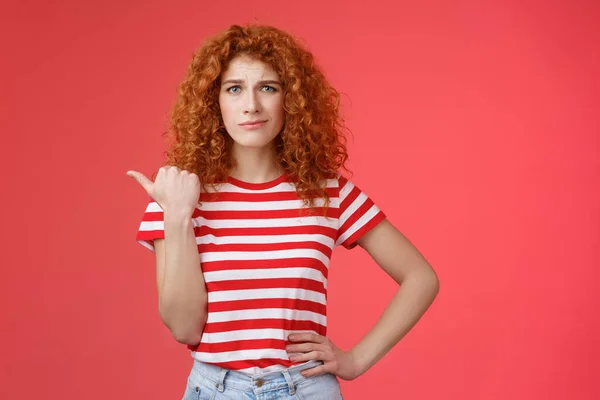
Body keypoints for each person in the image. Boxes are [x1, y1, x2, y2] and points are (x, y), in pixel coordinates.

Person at [127, 24, 439, 400]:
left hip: (307, 388)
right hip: (214, 390)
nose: (252, 105)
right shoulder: (179, 194)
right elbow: (185, 329)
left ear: (291, 100)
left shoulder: (327, 191)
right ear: (214, 101)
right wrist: (177, 217)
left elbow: (421, 277)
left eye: (268, 88)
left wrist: (356, 360)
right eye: (235, 88)